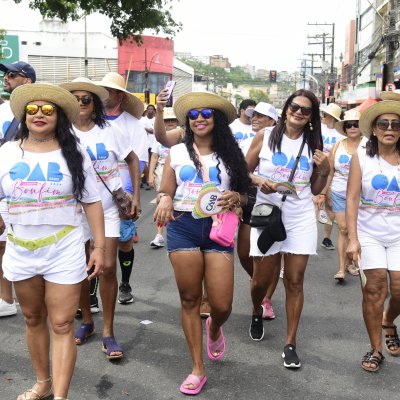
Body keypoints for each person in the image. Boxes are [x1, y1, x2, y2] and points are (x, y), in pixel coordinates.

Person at [0, 82, 105, 399]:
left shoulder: (75, 154)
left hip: (64, 248)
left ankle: (61, 395)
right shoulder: (6, 152)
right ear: (24, 116)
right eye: (33, 109)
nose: (39, 114)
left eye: (48, 109)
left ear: (59, 116)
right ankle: (43, 384)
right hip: (20, 248)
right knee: (32, 318)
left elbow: (92, 202)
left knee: (61, 325)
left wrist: (98, 246)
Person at [154, 92, 250, 395]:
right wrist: (165, 199)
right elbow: (165, 189)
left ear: (216, 119)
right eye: (193, 115)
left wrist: (237, 197)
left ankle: (215, 327)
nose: (199, 119)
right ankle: (197, 367)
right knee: (190, 299)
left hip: (219, 228)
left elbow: (244, 194)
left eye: (206, 113)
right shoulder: (178, 152)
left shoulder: (232, 154)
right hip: (183, 226)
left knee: (222, 304)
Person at [246, 89, 329, 368]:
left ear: (311, 117)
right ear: (286, 108)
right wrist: (259, 181)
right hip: (268, 215)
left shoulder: (314, 145)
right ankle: (257, 308)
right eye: (295, 106)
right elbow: (242, 171)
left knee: (294, 280)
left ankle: (290, 343)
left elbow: (315, 188)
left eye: (306, 110)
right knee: (260, 279)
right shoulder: (266, 137)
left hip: (300, 215)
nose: (299, 112)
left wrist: (325, 171)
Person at [60, 77, 141, 359]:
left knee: (106, 267)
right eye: (76, 99)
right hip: (73, 212)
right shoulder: (62, 134)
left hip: (106, 208)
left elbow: (132, 159)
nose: (81, 104)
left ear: (95, 105)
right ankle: (86, 322)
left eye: (86, 99)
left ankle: (108, 331)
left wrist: (137, 197)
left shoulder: (111, 132)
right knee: (81, 268)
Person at [346, 99, 400, 372]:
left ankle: (389, 321)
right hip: (370, 233)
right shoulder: (361, 157)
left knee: (399, 288)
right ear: (375, 130)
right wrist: (352, 238)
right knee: (375, 287)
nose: (390, 128)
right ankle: (375, 348)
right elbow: (353, 197)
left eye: (396, 124)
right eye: (384, 124)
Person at [96, 72, 146, 304]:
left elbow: (139, 160)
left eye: (109, 90)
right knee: (92, 244)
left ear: (120, 97)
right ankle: (90, 294)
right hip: (92, 194)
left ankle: (124, 284)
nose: (103, 94)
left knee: (124, 241)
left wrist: (132, 194)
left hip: (120, 193)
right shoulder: (89, 121)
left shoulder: (132, 124)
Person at [0, 60, 36, 318]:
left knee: (28, 240)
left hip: (33, 188)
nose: (6, 78)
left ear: (28, 81)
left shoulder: (39, 111)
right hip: (5, 187)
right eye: (5, 74)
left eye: (12, 75)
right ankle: (6, 298)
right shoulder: (3, 110)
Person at [239, 102, 279, 319]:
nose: (254, 118)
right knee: (244, 252)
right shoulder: (244, 140)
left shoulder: (277, 141)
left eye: (261, 116)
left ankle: (266, 298)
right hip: (247, 197)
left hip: (270, 200)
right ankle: (258, 280)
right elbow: (239, 170)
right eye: (253, 115)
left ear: (272, 122)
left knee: (271, 252)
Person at [327, 109, 367, 281]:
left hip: (363, 196)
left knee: (356, 231)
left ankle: (352, 262)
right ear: (344, 128)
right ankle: (341, 268)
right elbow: (329, 172)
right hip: (339, 192)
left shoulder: (369, 145)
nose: (352, 127)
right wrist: (323, 193)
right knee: (343, 228)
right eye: (348, 125)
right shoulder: (338, 146)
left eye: (356, 124)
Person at [148, 107, 179, 247]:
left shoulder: (182, 136)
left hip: (179, 172)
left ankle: (179, 232)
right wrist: (150, 175)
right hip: (161, 171)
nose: (170, 123)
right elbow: (154, 158)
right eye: (168, 120)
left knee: (178, 202)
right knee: (162, 201)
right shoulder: (158, 139)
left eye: (173, 120)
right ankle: (160, 234)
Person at [316, 103, 344, 250]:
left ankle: (326, 237)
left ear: (331, 117)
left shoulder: (341, 134)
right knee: (316, 201)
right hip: (316, 171)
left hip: (332, 172)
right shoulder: (318, 129)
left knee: (330, 205)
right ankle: (309, 234)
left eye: (325, 115)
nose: (323, 117)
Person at [142, 104, 157, 190]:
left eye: (152, 109)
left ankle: (151, 179)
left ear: (154, 111)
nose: (150, 110)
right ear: (147, 110)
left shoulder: (155, 120)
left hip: (154, 143)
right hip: (144, 144)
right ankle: (146, 178)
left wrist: (145, 129)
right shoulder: (143, 119)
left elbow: (153, 131)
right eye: (149, 109)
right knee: (145, 162)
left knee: (153, 162)